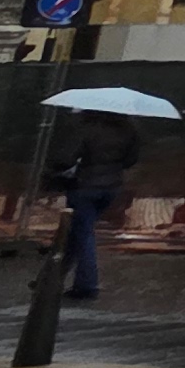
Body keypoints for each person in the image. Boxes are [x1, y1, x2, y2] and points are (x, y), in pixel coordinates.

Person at [54, 110, 139, 300]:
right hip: (111, 188)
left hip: (84, 186)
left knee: (84, 234)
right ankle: (53, 278)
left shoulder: (87, 128)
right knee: (77, 232)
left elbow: (66, 159)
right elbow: (130, 160)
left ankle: (86, 285)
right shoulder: (128, 130)